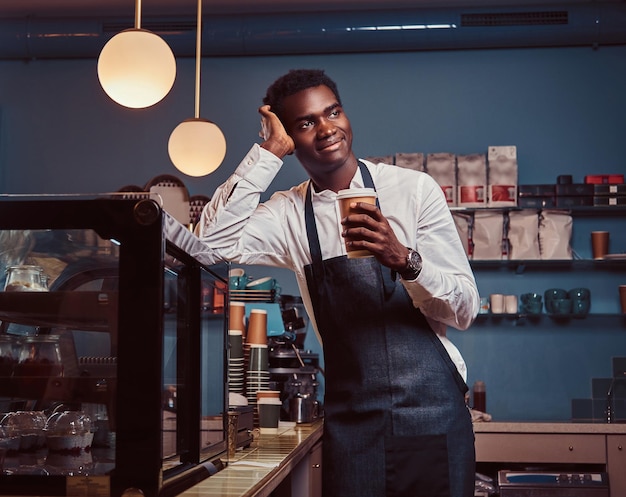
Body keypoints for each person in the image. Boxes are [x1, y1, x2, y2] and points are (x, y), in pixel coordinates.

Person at [197, 68, 479, 497]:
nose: (327, 129)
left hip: (432, 417)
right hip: (354, 428)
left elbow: (463, 311)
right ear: (290, 139)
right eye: (306, 123)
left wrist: (403, 259)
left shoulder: (413, 190)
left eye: (333, 113)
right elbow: (209, 245)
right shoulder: (288, 214)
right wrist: (268, 151)